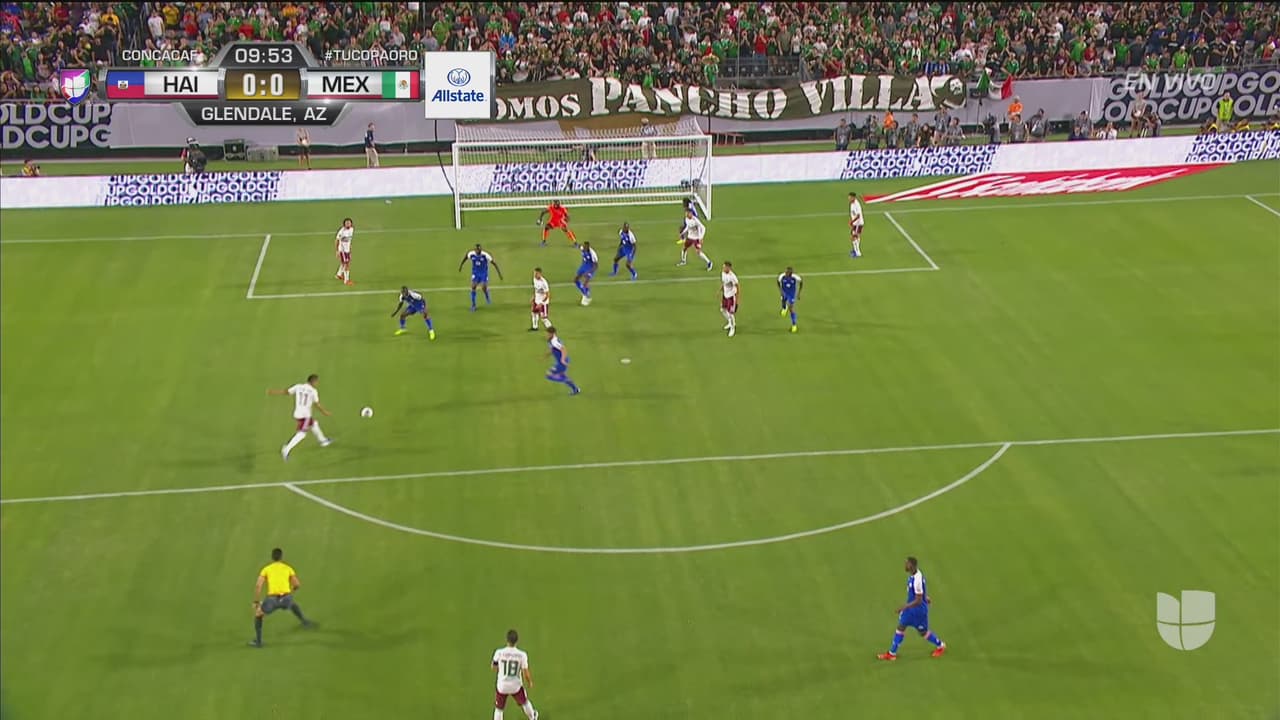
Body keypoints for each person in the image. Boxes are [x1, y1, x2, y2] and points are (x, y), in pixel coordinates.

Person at [878, 556, 947, 661]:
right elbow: (920, 593)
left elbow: (918, 600)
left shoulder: (917, 580)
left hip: (918, 611)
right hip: (911, 611)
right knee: (901, 627)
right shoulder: (914, 575)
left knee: (923, 632)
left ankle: (941, 646)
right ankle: (892, 653)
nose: (905, 565)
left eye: (907, 564)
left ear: (912, 566)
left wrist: (904, 607)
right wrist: (925, 597)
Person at [249, 547, 313, 648]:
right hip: (286, 598)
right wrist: (290, 592)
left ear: (272, 557)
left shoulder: (266, 569)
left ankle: (258, 642)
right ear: (281, 557)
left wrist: (256, 602)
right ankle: (305, 621)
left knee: (258, 614)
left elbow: (258, 586)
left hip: (272, 600)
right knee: (292, 604)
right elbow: (297, 584)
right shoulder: (288, 568)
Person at [267, 374, 331, 461]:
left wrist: (272, 392)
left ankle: (323, 441)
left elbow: (286, 392)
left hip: (298, 413)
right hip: (305, 416)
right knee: (302, 434)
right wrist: (324, 412)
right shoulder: (313, 391)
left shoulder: (298, 386)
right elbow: (317, 404)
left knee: (314, 424)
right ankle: (286, 449)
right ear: (313, 382)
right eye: (317, 381)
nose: (317, 383)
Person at [492, 629, 539, 720]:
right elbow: (525, 672)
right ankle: (532, 717)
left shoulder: (499, 652)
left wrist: (501, 669)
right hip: (515, 686)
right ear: (517, 641)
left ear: (507, 640)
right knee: (525, 702)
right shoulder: (522, 655)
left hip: (502, 685)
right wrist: (529, 682)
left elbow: (493, 667)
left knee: (499, 709)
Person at [459, 244, 503, 311]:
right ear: (475, 250)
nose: (478, 251)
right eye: (477, 250)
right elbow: (465, 257)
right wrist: (461, 265)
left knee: (483, 287)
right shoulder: (471, 254)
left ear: (480, 250)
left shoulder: (485, 255)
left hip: (483, 274)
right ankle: (473, 305)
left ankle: (486, 295)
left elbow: (494, 263)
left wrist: (499, 274)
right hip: (475, 273)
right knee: (473, 286)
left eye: (479, 250)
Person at [544, 326, 581, 395]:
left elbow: (563, 349)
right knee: (561, 375)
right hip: (560, 362)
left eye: (548, 334)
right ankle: (575, 389)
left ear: (552, 334)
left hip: (562, 362)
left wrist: (562, 359)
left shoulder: (554, 341)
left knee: (549, 375)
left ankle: (569, 382)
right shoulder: (551, 340)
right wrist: (545, 356)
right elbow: (552, 349)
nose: (546, 335)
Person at [778, 267, 802, 333]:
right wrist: (781, 291)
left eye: (787, 272)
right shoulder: (782, 276)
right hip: (784, 293)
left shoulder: (795, 277)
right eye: (786, 272)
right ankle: (784, 308)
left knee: (791, 309)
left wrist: (799, 293)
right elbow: (778, 282)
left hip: (791, 294)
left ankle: (794, 325)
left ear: (790, 273)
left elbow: (801, 282)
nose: (785, 273)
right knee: (783, 304)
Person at [573, 241, 599, 306]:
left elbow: (596, 265)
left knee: (585, 282)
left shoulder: (592, 254)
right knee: (575, 280)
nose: (584, 248)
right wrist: (576, 244)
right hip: (584, 266)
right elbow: (579, 246)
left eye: (585, 247)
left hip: (590, 267)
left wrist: (589, 272)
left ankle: (586, 297)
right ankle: (585, 293)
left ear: (588, 247)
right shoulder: (583, 248)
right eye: (583, 246)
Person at [720, 261, 740, 337]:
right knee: (722, 310)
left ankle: (732, 327)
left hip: (731, 296)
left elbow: (738, 288)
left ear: (729, 268)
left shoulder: (733, 277)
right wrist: (720, 289)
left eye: (725, 267)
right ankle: (729, 322)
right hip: (725, 295)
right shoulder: (723, 273)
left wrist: (737, 301)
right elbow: (724, 283)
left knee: (730, 313)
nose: (723, 268)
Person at [333, 217, 354, 285]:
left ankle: (338, 275)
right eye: (346, 223)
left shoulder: (352, 229)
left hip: (347, 250)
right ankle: (346, 280)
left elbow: (349, 240)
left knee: (343, 263)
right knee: (347, 264)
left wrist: (350, 249)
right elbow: (336, 241)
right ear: (344, 224)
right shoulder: (341, 232)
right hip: (342, 250)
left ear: (351, 224)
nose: (348, 224)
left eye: (349, 223)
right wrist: (337, 251)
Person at [848, 191, 864, 258]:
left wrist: (851, 221)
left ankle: (858, 253)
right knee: (855, 236)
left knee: (854, 237)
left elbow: (858, 215)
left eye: (850, 197)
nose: (849, 198)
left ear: (853, 197)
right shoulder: (852, 204)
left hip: (858, 223)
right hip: (855, 223)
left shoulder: (857, 204)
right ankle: (855, 250)